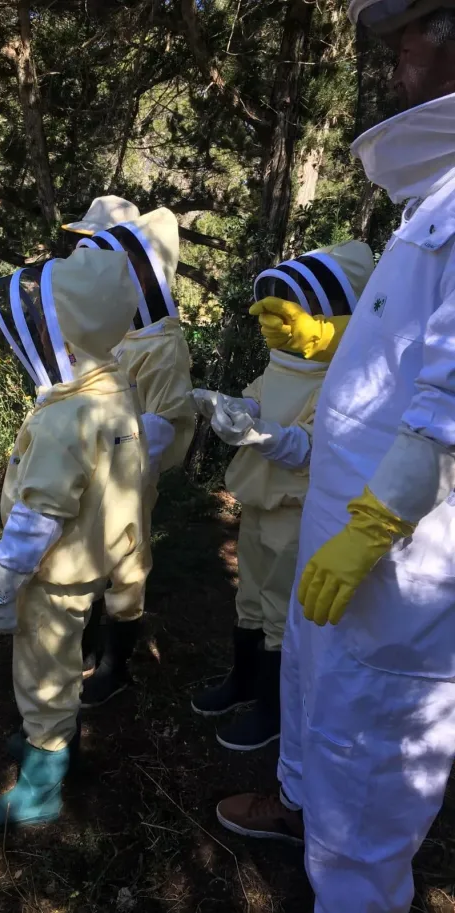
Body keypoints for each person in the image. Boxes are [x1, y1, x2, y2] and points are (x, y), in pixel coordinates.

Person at [216, 6, 455, 911]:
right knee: (318, 684)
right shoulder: (433, 194)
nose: (398, 55)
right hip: (342, 516)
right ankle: (297, 809)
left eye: (419, 29)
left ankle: (355, 887)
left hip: (402, 548)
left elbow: (448, 399)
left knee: (372, 731)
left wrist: (380, 516)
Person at [0, 247, 149, 831]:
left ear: (63, 338)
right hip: (95, 563)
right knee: (65, 660)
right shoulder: (115, 389)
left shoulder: (64, 419)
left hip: (52, 572)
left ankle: (42, 785)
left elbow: (36, 519)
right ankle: (51, 745)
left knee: (43, 671)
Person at [190, 242, 374, 752]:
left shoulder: (347, 379)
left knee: (280, 611)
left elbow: (313, 449)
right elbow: (258, 395)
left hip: (300, 511)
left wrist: (258, 433)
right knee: (250, 596)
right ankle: (243, 682)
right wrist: (230, 406)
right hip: (260, 505)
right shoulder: (282, 365)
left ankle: (273, 712)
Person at [72, 208, 196, 707]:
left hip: (130, 476)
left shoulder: (162, 344)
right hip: (89, 466)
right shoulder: (113, 329)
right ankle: (85, 640)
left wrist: (119, 447)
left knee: (125, 561)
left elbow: (168, 421)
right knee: (84, 551)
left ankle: (115, 663)